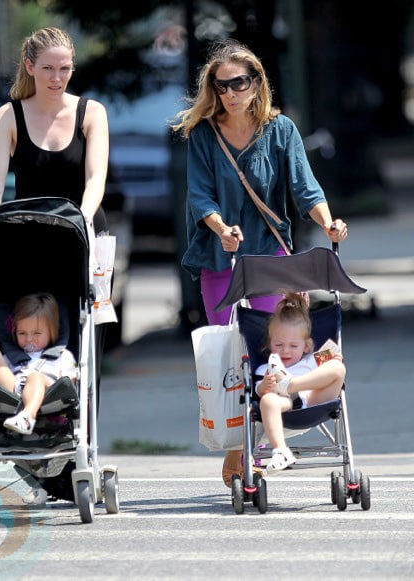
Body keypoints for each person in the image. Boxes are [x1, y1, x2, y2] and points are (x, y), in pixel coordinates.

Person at [170, 38, 349, 487]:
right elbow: (200, 196)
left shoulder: (280, 130)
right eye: (221, 84)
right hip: (220, 257)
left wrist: (329, 225)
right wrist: (221, 229)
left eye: (239, 83)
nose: (230, 92)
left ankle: (269, 433)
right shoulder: (204, 135)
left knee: (275, 348)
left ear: (256, 83)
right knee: (230, 358)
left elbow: (306, 190)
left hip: (270, 258)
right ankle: (237, 445)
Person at [0, 26, 109, 409]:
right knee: (25, 316)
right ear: (30, 67)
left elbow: (95, 177)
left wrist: (83, 218)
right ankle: (25, 403)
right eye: (49, 68)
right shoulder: (9, 115)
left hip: (82, 234)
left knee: (86, 327)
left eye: (65, 69)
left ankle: (82, 428)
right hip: (27, 237)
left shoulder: (91, 112)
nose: (57, 78)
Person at [0, 292, 78, 436]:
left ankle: (27, 417)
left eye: (37, 333)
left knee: (35, 377)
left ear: (52, 332)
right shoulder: (12, 356)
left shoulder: (62, 355)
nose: (29, 339)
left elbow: (68, 382)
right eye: (22, 333)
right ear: (14, 332)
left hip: (47, 394)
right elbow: (1, 374)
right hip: (14, 391)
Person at [254, 293, 345, 473]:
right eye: (279, 345)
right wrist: (265, 385)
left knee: (338, 367)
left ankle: (291, 384)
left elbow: (336, 358)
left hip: (312, 398)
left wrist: (335, 356)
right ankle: (281, 451)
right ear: (269, 344)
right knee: (267, 401)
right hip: (286, 403)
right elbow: (258, 390)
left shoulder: (312, 360)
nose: (285, 351)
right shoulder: (267, 367)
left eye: (293, 346)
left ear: (306, 345)